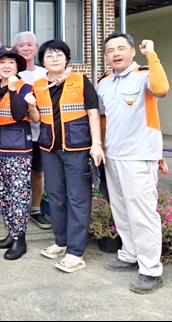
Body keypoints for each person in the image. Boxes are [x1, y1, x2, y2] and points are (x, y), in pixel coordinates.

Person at [97, 32, 169, 294]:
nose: (115, 54)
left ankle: (151, 269)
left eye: (121, 48)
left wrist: (152, 55)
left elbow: (161, 89)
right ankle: (129, 254)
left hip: (139, 154)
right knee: (121, 209)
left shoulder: (144, 75)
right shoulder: (104, 82)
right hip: (113, 154)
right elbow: (103, 118)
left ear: (132, 51)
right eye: (110, 50)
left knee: (142, 213)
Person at [32, 40, 104, 273]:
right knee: (55, 196)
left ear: (66, 58)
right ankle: (61, 241)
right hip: (49, 148)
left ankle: (75, 252)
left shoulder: (81, 81)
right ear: (42, 62)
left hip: (77, 147)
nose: (54, 59)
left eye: (58, 54)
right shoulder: (39, 85)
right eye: (49, 56)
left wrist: (96, 144)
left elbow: (93, 113)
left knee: (78, 198)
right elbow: (36, 117)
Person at [0, 47, 40, 260]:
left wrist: (12, 90)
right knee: (4, 193)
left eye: (11, 62)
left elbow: (19, 115)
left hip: (17, 149)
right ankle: (12, 232)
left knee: (18, 195)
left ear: (18, 66)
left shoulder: (25, 87)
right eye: (2, 62)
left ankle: (21, 240)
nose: (6, 66)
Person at [14, 31, 52, 230]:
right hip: (16, 133)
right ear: (16, 49)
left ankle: (36, 209)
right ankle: (16, 212)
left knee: (38, 172)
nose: (25, 48)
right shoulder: (12, 73)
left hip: (40, 131)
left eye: (29, 44)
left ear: (37, 48)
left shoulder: (45, 73)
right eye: (21, 45)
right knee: (18, 173)